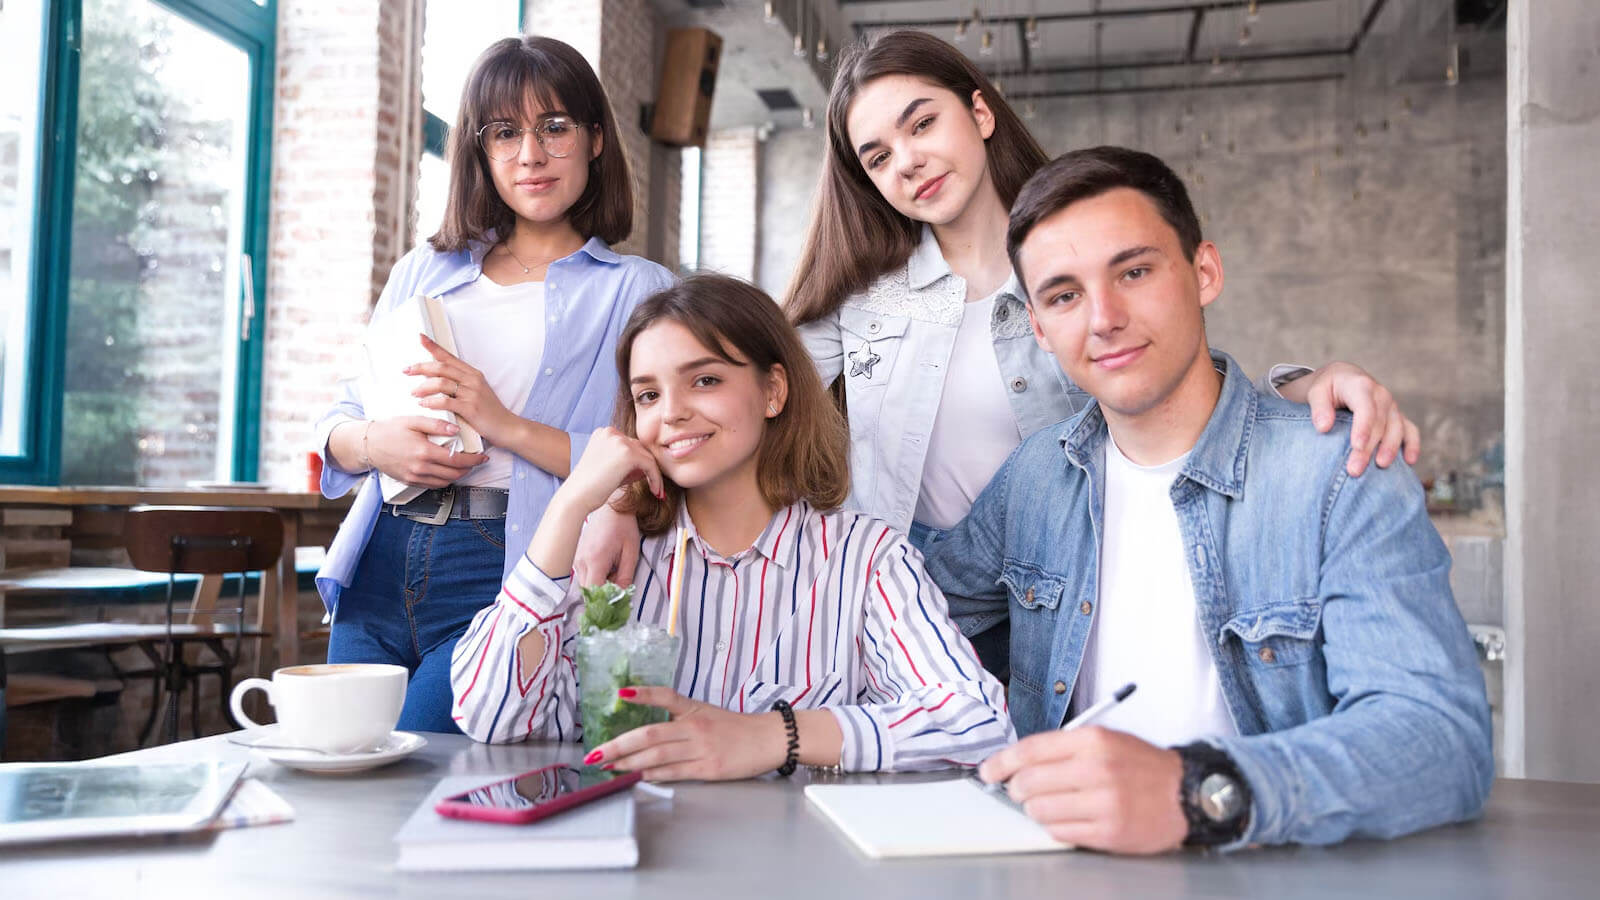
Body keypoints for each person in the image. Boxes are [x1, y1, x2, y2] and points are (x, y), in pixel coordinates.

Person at [575, 31, 1421, 665]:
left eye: (922, 123)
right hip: (925, 615)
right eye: (878, 155)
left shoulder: (1068, 268)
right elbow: (716, 397)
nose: (909, 162)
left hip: (1085, 600)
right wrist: (618, 502)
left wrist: (1310, 380)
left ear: (978, 111)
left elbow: (1173, 369)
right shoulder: (861, 303)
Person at [921, 146, 1492, 853]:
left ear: (1204, 272)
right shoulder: (1038, 477)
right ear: (1040, 328)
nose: (1104, 317)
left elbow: (1439, 738)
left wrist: (1195, 791)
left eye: (1133, 271)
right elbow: (905, 610)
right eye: (1064, 295)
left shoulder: (1337, 474)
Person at [450, 274, 1012, 779]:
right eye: (648, 395)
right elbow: (491, 717)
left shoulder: (864, 559)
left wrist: (774, 736)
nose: (670, 413)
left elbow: (979, 725)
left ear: (773, 391)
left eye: (704, 381)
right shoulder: (607, 559)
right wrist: (570, 507)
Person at [313, 36, 673, 733]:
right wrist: (375, 442)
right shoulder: (426, 269)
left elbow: (644, 461)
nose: (529, 155)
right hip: (380, 559)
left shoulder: (639, 292)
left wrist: (502, 424)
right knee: (346, 776)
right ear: (480, 151)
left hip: (503, 568)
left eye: (554, 128)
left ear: (596, 138)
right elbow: (340, 416)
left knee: (426, 778)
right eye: (504, 133)